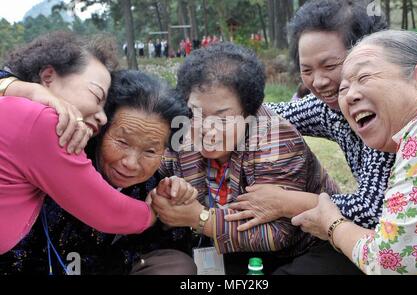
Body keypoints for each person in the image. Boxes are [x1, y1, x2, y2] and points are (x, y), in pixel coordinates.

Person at [226, 0, 393, 274]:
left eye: (330, 65)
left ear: (367, 54)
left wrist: (287, 202)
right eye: (307, 70)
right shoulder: (329, 109)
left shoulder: (388, 112)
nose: (318, 81)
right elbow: (272, 114)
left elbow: (373, 211)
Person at [151, 42, 340, 274]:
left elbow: (277, 234)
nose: (206, 129)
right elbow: (154, 178)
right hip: (232, 249)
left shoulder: (276, 140)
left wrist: (198, 219)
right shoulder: (182, 131)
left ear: (249, 112)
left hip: (305, 248)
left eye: (223, 119)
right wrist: (165, 192)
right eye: (195, 113)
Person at [0, 70, 197, 274]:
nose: (131, 163)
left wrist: (171, 207)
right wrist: (26, 89)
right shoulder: (63, 149)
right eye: (121, 142)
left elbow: (170, 246)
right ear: (101, 128)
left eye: (150, 151)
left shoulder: (157, 186)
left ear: (165, 151)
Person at [295, 30, 417, 275]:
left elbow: (392, 265)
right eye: (343, 88)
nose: (351, 96)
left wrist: (333, 224)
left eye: (364, 77)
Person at [0, 31, 155, 255]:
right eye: (96, 94)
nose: (102, 118)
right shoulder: (47, 122)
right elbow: (108, 212)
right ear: (48, 76)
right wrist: (154, 212)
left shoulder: (15, 106)